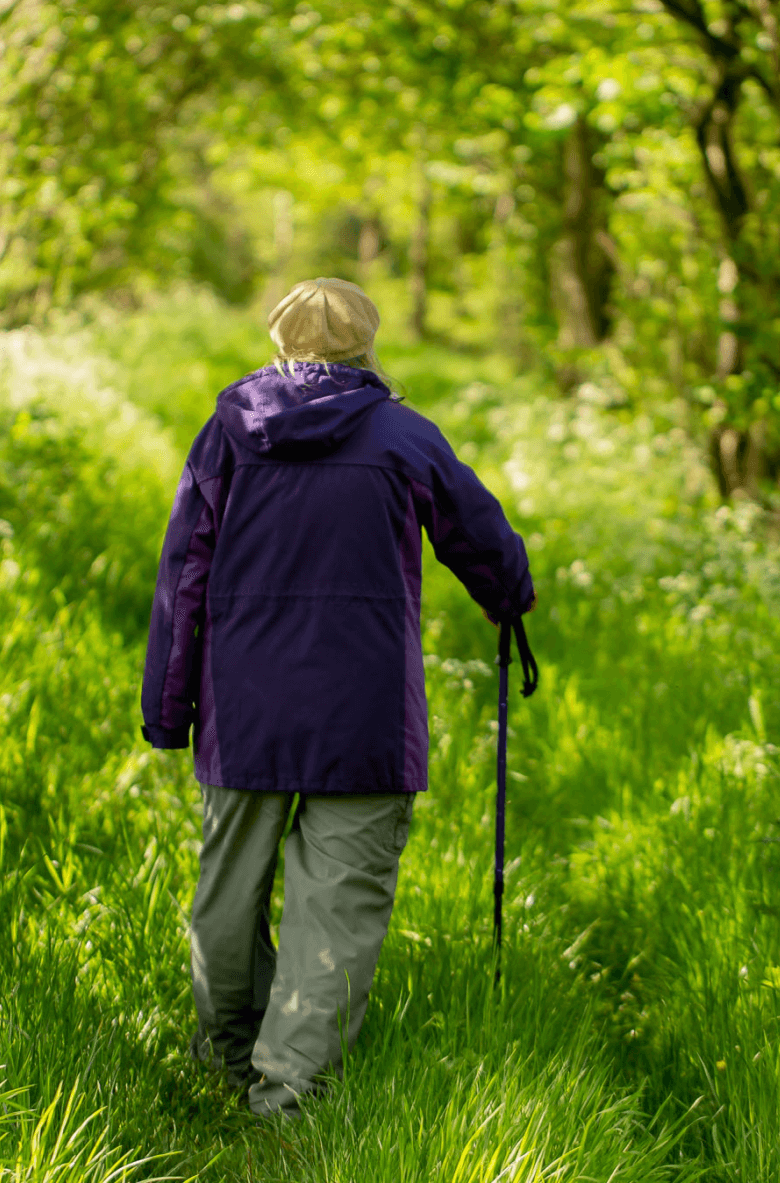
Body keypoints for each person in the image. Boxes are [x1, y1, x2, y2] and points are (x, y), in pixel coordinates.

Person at [141, 277, 535, 1119]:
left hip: (243, 708)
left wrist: (169, 708)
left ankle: (226, 1056)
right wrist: (508, 596)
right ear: (366, 345)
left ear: (279, 342)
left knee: (227, 891)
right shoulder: (401, 432)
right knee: (339, 903)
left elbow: (185, 574)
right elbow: (481, 533)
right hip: (364, 713)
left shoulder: (226, 434)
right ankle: (285, 1094)